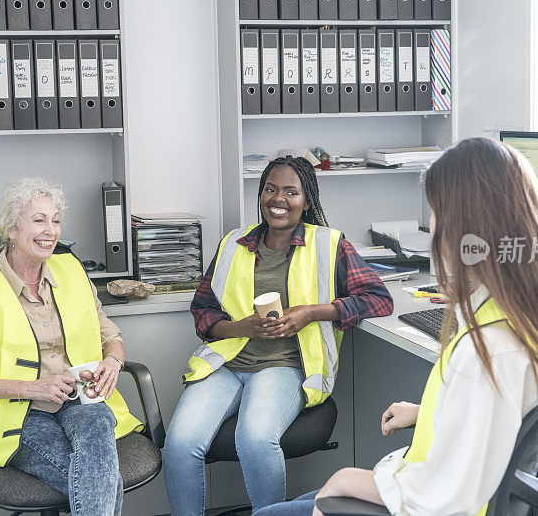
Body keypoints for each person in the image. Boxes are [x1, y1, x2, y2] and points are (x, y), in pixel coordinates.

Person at [254, 138, 538, 516]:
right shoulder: (536, 314)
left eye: (436, 210)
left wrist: (345, 479)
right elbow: (493, 412)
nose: (431, 224)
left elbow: (441, 496)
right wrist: (428, 412)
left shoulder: (489, 350)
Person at [163, 156, 394, 515]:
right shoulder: (233, 244)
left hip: (285, 365)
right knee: (179, 443)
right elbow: (203, 312)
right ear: (260, 194)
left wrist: (311, 313)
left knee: (255, 439)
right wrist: (242, 327)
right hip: (227, 363)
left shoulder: (329, 244)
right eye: (271, 189)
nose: (279, 199)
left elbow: (377, 299)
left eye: (291, 191)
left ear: (307, 199)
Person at [0, 177, 142, 516]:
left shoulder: (72, 271)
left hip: (81, 397)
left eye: (56, 220)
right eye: (39, 220)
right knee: (102, 479)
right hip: (18, 412)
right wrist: (33, 387)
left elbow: (110, 335)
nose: (51, 230)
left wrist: (113, 363)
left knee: (97, 427)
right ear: (11, 229)